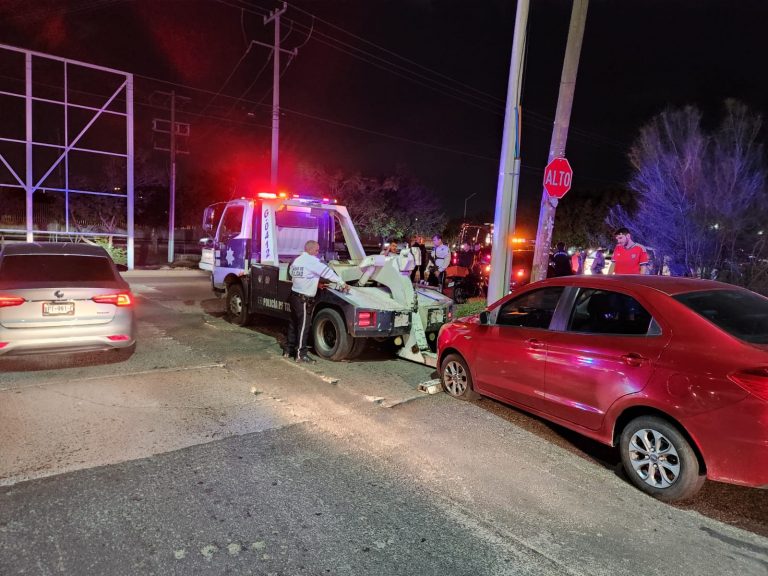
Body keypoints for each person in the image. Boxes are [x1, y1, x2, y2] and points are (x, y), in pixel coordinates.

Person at [286, 240, 350, 363]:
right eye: (316, 250)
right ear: (310, 250)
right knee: (303, 327)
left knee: (293, 324)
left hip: (294, 296)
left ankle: (288, 350)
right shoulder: (312, 261)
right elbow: (328, 273)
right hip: (303, 299)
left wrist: (314, 282)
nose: (317, 252)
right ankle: (300, 354)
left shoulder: (297, 261)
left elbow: (295, 275)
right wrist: (342, 283)